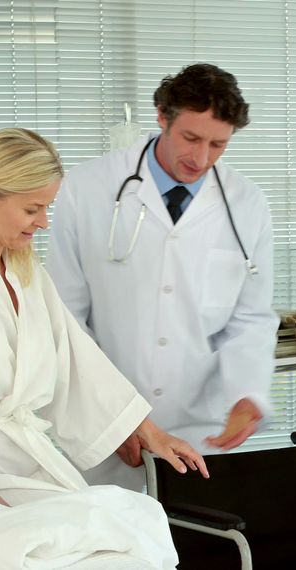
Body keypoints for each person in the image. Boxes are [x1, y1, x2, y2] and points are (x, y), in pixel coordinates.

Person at [0, 128, 208, 566]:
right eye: (32, 209)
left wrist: (144, 430)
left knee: (138, 517)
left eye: (47, 209)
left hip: (26, 462)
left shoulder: (27, 274)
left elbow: (74, 359)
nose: (43, 222)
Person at [46, 63, 278, 490]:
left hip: (201, 434)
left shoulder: (247, 203)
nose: (201, 158)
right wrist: (111, 416)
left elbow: (251, 319)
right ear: (162, 117)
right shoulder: (87, 188)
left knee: (204, 550)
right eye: (191, 138)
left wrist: (248, 395)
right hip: (108, 431)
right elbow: (64, 317)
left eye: (218, 145)